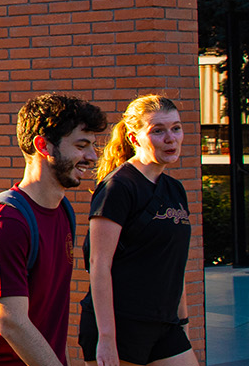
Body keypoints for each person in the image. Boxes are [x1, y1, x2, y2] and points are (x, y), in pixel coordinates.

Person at [0, 94, 106, 366]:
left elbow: (51, 318)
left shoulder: (63, 211)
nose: (92, 157)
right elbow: (12, 323)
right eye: (82, 146)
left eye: (93, 146)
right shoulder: (5, 222)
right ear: (43, 145)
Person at [82, 95, 193, 366]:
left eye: (176, 128)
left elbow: (176, 262)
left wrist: (183, 323)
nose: (171, 138)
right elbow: (98, 264)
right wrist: (107, 338)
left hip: (165, 325)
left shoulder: (175, 189)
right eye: (158, 131)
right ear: (134, 138)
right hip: (123, 325)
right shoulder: (119, 187)